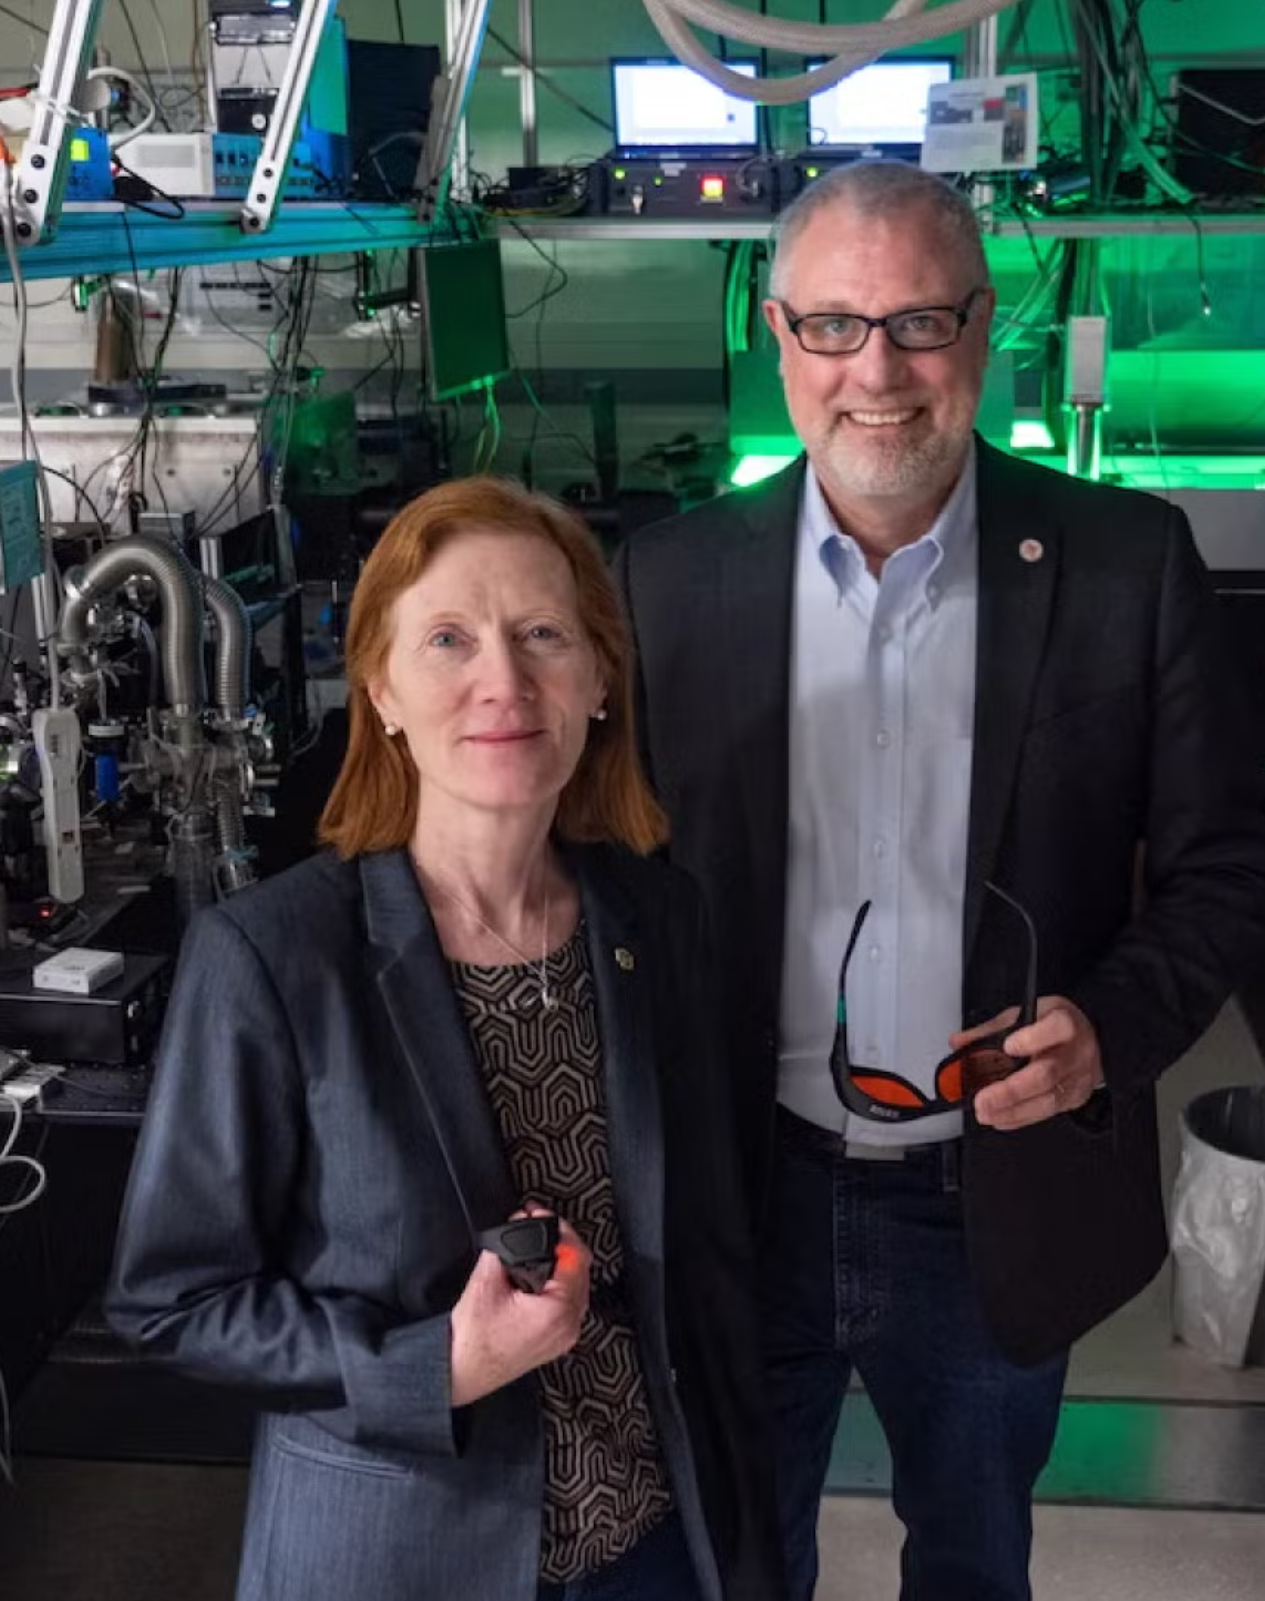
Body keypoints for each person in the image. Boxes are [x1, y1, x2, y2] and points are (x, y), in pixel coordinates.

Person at [614, 162, 1265, 1601]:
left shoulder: (1124, 563)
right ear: (776, 335)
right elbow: (603, 882)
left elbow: (1230, 868)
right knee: (735, 1562)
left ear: (989, 330)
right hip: (745, 1186)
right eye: (835, 327)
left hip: (996, 1190)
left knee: (978, 1562)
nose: (878, 371)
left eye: (921, 323)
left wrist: (1110, 1022)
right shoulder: (665, 583)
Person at [110, 478, 780, 1601]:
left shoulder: (660, 919)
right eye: (448, 639)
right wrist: (433, 1369)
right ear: (379, 688)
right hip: (399, 1551)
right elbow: (173, 1299)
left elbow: (706, 1248)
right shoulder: (273, 958)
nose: (502, 683)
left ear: (601, 677)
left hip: (654, 1536)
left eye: (541, 635)